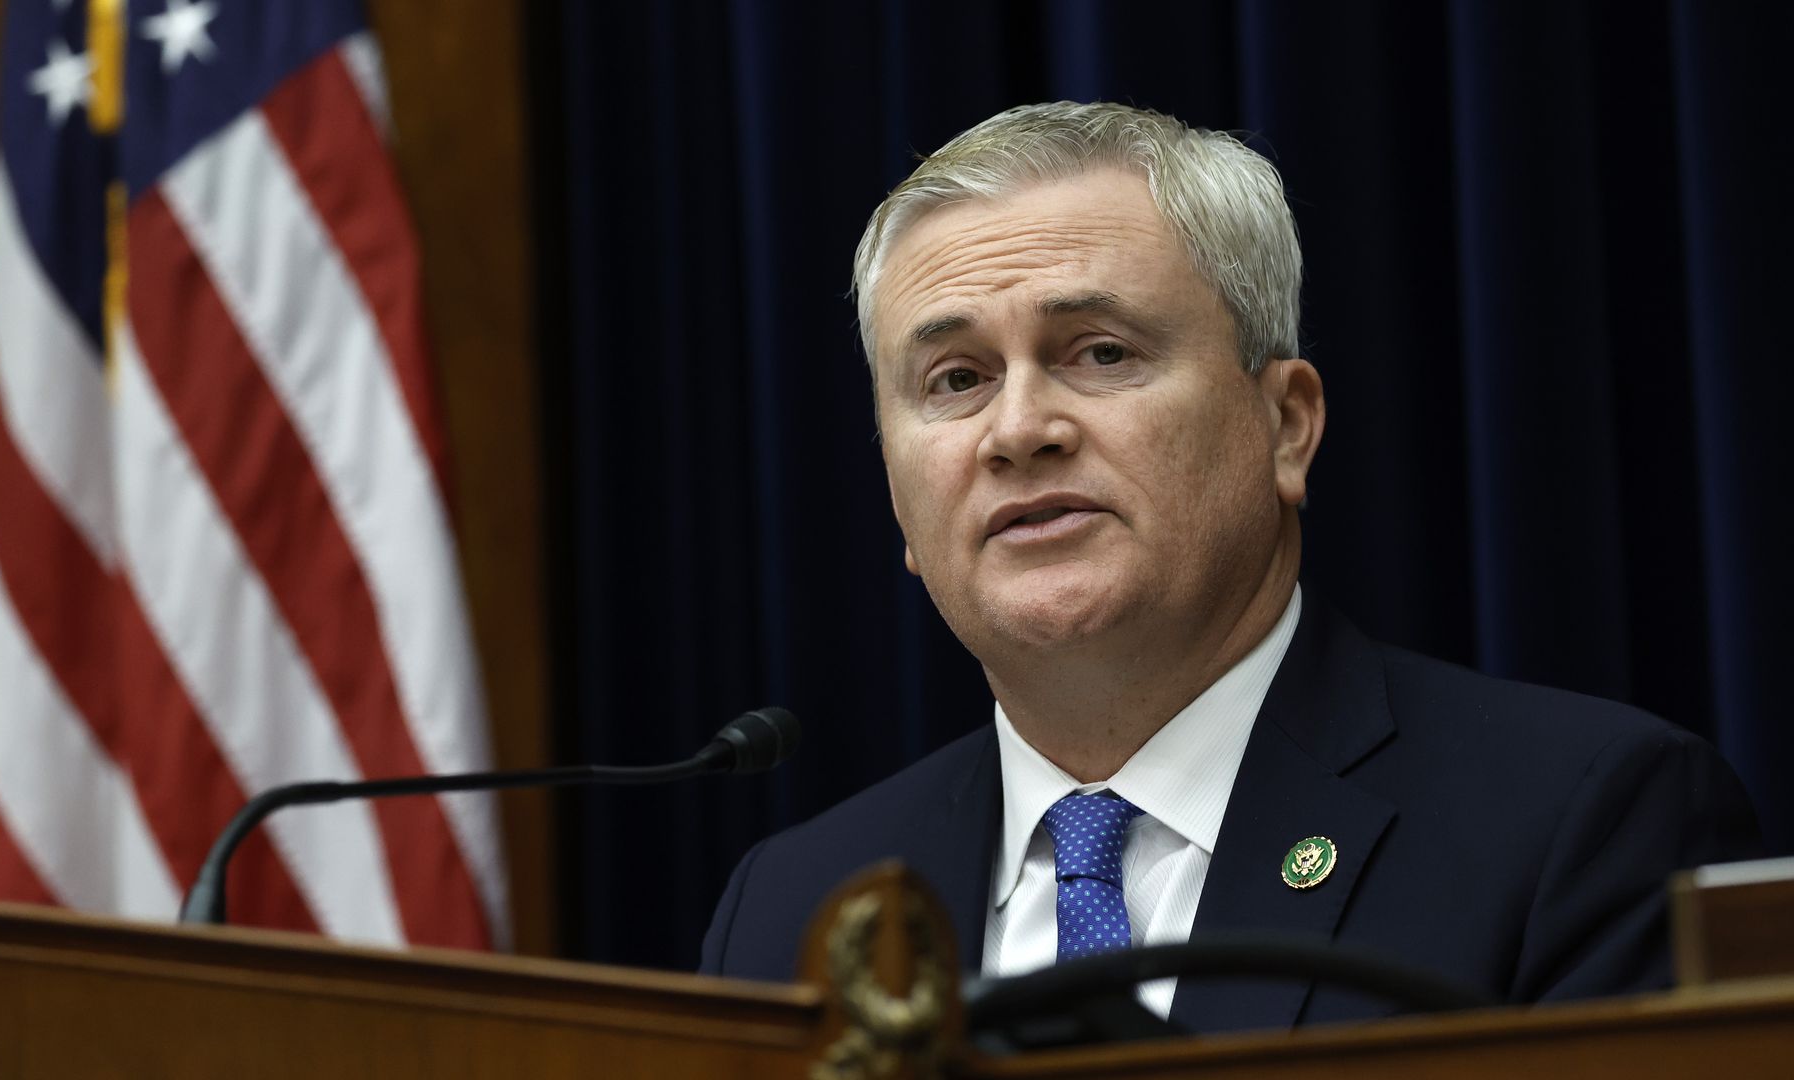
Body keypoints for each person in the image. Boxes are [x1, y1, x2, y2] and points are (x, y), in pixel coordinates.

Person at [698, 101, 1761, 1034]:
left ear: (1286, 425)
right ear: (898, 498)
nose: (1018, 430)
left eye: (1100, 353)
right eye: (956, 379)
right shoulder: (790, 909)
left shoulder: (1579, 824)